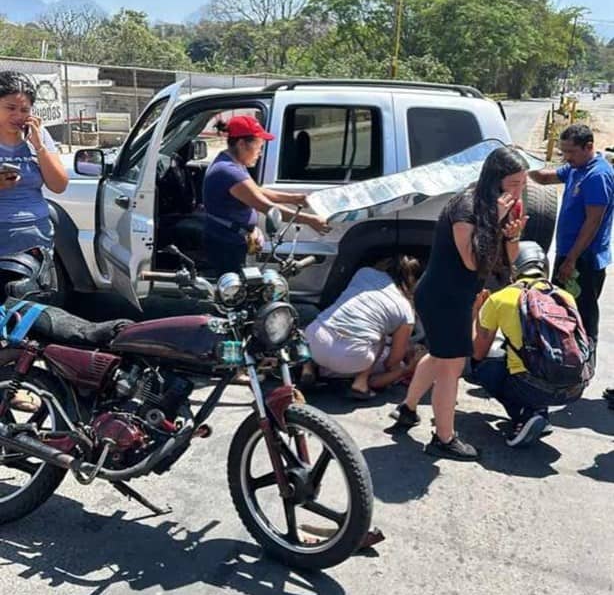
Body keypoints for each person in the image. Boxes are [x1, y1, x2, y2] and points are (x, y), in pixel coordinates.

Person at [389, 146, 529, 460]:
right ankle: (444, 437)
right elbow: (470, 261)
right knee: (451, 366)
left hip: (458, 296)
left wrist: (511, 235)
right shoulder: (466, 207)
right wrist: (494, 218)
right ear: (495, 179)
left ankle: (407, 408)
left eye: (523, 184)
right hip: (441, 297)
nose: (519, 191)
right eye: (514, 184)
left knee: (440, 357)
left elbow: (506, 262)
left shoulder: (498, 208)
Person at [469, 241, 589, 447]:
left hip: (532, 387)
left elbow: (477, 352)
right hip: (573, 387)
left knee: (483, 365)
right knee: (517, 356)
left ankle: (524, 414)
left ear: (515, 269)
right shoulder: (565, 297)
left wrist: (475, 312)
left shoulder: (501, 298)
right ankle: (539, 411)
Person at [528, 124, 614, 368]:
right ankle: (564, 360)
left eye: (571, 152)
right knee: (560, 308)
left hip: (584, 259)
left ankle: (584, 365)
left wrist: (572, 259)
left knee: (582, 314)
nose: (567, 157)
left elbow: (593, 221)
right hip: (569, 254)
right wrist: (524, 162)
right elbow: (545, 178)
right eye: (563, 152)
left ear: (589, 147)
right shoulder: (577, 167)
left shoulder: (597, 175)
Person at [202, 115, 329, 276]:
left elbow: (257, 191)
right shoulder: (228, 171)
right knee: (233, 294)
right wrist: (311, 220)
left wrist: (295, 198)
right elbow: (269, 209)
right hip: (226, 245)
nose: (260, 153)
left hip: (232, 239)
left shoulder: (232, 162)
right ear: (242, 144)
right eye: (258, 146)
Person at [303, 255, 424, 399]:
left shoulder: (363, 273)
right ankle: (361, 383)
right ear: (413, 282)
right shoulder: (405, 309)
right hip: (352, 356)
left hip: (315, 342)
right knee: (379, 338)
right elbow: (392, 363)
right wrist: (409, 368)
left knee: (328, 321)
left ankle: (308, 368)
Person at [0, 71, 68, 297]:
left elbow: (58, 185)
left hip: (35, 239)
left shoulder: (39, 136)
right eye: (10, 108)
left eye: (24, 110)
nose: (18, 115)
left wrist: (39, 147)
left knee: (33, 307)